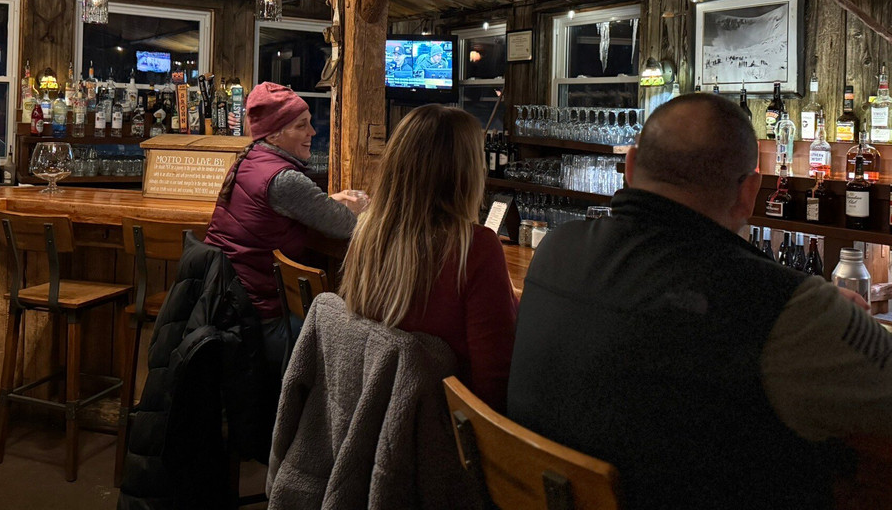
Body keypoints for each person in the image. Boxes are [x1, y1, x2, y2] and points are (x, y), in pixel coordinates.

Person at [508, 94, 892, 510]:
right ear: (749, 192)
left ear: (631, 167)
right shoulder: (781, 306)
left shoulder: (555, 248)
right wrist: (823, 312)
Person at [340, 104, 517, 411]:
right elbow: (495, 385)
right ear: (465, 173)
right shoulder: (476, 248)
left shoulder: (367, 233)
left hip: (378, 413)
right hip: (445, 424)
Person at [205, 82, 368, 373]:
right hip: (258, 323)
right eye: (301, 126)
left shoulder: (252, 159)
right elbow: (347, 226)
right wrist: (358, 207)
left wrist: (329, 201)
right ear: (274, 134)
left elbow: (284, 205)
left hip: (229, 308)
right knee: (359, 345)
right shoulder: (284, 179)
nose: (312, 132)